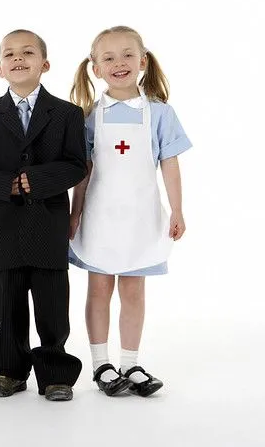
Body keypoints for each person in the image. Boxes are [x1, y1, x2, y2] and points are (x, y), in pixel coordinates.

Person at [69, 25, 191, 397]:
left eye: (127, 55)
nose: (119, 63)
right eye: (108, 57)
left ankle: (130, 363)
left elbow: (169, 162)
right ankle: (101, 363)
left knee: (134, 292)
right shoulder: (89, 115)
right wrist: (74, 214)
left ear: (142, 60)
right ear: (95, 66)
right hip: (100, 218)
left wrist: (177, 210)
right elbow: (83, 171)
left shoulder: (158, 113)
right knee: (99, 289)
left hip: (140, 217)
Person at [0, 29, 86, 401]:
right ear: (0, 68)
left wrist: (33, 180)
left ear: (44, 64)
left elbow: (75, 165)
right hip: (3, 224)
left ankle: (54, 374)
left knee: (52, 304)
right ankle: (7, 370)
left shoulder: (67, 113)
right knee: (6, 302)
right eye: (9, 54)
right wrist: (8, 186)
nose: (18, 58)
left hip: (48, 222)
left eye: (28, 52)